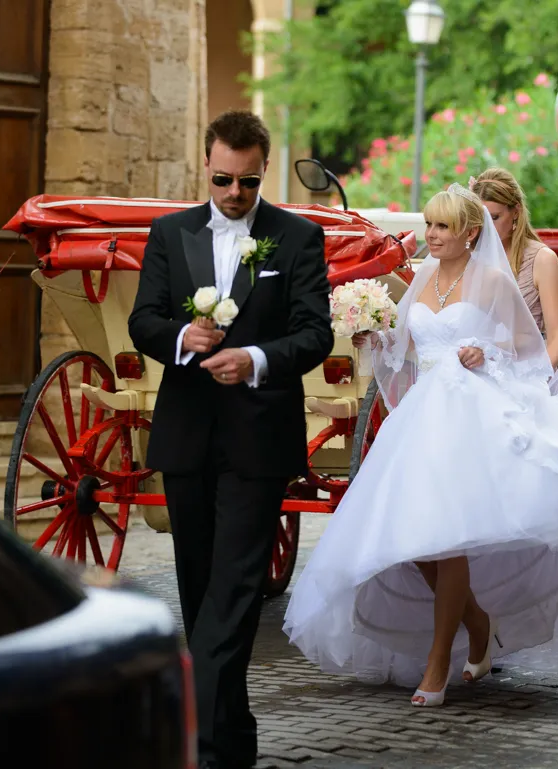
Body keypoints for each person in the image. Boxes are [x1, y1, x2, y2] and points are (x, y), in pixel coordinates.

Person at [283, 184, 558, 707]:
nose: (431, 235)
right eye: (429, 225)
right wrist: (373, 336)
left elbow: (529, 351)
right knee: (411, 542)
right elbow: (403, 347)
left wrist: (486, 354)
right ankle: (476, 620)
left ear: (470, 233)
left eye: (442, 228)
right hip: (422, 418)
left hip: (472, 418)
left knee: (447, 538)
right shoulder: (423, 276)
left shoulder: (495, 282)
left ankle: (437, 661)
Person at [128, 110, 333, 768]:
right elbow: (143, 320)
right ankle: (230, 740)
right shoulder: (169, 234)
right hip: (186, 434)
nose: (235, 194)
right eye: (223, 179)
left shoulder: (297, 238)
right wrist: (180, 339)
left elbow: (315, 333)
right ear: (206, 166)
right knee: (197, 589)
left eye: (247, 182)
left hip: (259, 438)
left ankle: (197, 738)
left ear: (263, 171)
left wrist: (256, 360)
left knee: (236, 588)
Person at [470, 168, 558, 367]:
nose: (487, 227)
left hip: (529, 368)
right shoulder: (468, 259)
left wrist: (535, 379)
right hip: (475, 370)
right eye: (481, 219)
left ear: (516, 212)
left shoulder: (542, 260)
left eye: (494, 218)